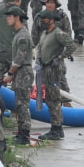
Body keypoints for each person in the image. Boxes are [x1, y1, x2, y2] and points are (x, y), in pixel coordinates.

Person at [34, 10, 73, 142]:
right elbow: (40, 47)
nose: (42, 21)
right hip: (45, 69)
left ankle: (56, 128)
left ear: (52, 20)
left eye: (45, 19)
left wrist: (60, 57)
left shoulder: (58, 33)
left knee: (54, 99)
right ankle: (56, 127)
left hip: (54, 70)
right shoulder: (44, 33)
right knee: (50, 99)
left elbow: (71, 46)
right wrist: (38, 59)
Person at [0, 6, 33, 146]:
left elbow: (19, 58)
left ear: (17, 18)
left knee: (22, 104)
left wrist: (10, 73)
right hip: (20, 72)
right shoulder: (18, 34)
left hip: (23, 72)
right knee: (19, 104)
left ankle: (24, 135)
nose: (7, 18)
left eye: (10, 16)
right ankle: (21, 133)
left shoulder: (23, 36)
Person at [0, 0, 26, 82]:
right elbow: (25, 32)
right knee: (17, 80)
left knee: (1, 79)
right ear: (18, 0)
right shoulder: (19, 12)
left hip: (1, 50)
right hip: (14, 52)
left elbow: (4, 1)